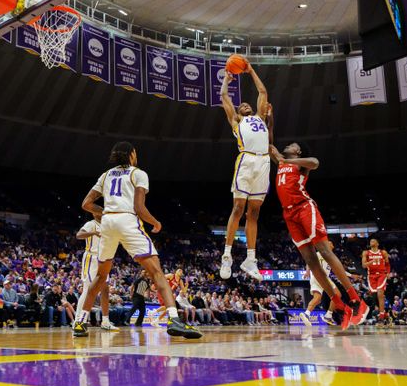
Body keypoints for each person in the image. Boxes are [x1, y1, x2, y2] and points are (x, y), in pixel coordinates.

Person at [73, 141, 201, 339]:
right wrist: (155, 222)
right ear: (132, 155)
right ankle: (175, 320)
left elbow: (86, 204)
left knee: (100, 277)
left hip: (107, 222)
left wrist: (104, 212)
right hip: (127, 220)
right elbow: (139, 208)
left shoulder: (106, 175)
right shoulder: (138, 173)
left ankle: (80, 322)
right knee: (157, 272)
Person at [269, 142, 369, 329]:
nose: (288, 145)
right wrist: (268, 118)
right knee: (311, 261)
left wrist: (285, 159)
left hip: (304, 208)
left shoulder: (300, 164)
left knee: (324, 251)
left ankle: (356, 301)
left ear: (297, 152)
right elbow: (268, 144)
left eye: (293, 145)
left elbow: (315, 162)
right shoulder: (281, 162)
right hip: (288, 214)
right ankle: (339, 305)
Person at [218, 60, 270, 281]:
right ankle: (227, 255)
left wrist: (250, 70)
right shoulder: (237, 121)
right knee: (238, 207)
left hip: (264, 162)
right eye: (243, 105)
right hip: (246, 161)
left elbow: (262, 90)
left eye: (248, 104)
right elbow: (224, 98)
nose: (246, 105)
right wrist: (226, 81)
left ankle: (250, 259)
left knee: (255, 213)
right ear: (238, 112)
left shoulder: (260, 117)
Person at [75, 213, 117, 331]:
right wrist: (93, 233)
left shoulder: (107, 226)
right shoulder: (91, 224)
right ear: (94, 213)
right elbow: (79, 235)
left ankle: (105, 321)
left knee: (105, 290)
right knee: (87, 289)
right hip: (91, 258)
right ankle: (78, 321)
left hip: (103, 258)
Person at [302, 252, 347, 326]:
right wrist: (307, 271)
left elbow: (337, 270)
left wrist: (350, 275)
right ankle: (328, 315)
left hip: (315, 277)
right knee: (337, 295)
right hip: (321, 276)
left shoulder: (330, 255)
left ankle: (306, 314)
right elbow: (309, 261)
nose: (331, 244)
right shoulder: (321, 252)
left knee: (317, 298)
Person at [362, 238, 391, 323]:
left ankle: (381, 316)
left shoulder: (383, 252)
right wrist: (372, 261)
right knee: (374, 295)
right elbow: (364, 265)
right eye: (370, 241)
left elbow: (387, 264)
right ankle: (385, 314)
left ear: (378, 243)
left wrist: (388, 273)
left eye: (373, 241)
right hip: (371, 275)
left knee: (380, 293)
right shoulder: (366, 253)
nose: (371, 242)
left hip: (382, 274)